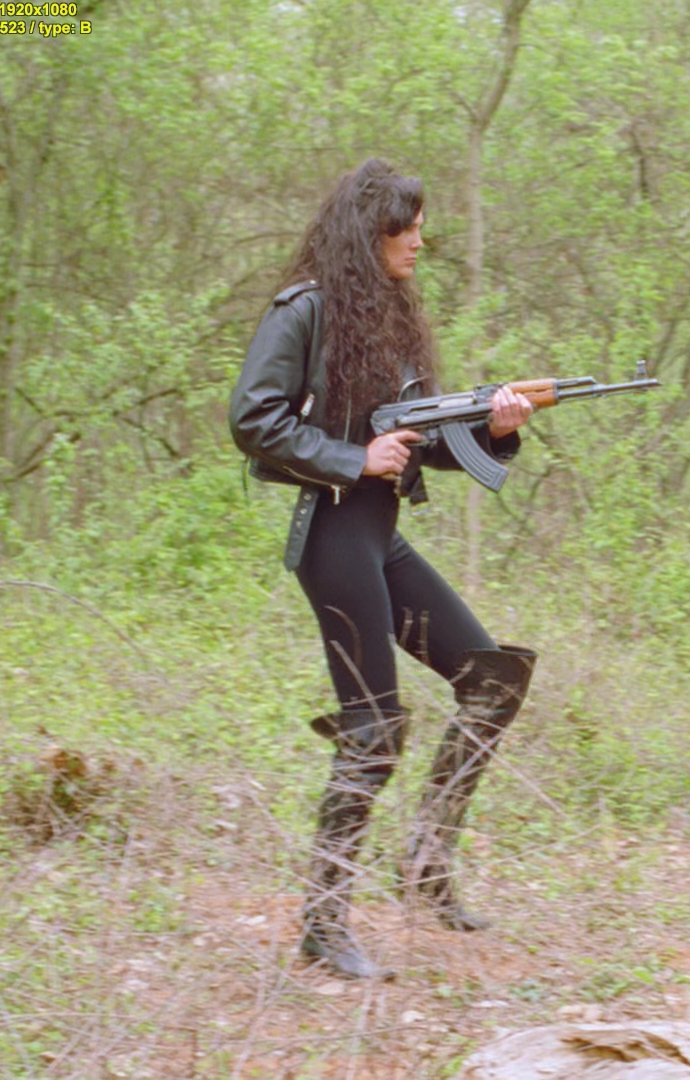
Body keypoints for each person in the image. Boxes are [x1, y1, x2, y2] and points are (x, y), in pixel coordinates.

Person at [230, 158, 539, 979]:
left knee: (494, 680)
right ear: (369, 232)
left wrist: (496, 427)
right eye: (406, 228)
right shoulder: (305, 309)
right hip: (333, 537)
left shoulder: (393, 317)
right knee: (372, 728)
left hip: (380, 535)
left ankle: (427, 865)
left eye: (421, 227)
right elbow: (252, 419)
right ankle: (323, 924)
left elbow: (423, 447)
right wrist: (352, 458)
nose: (419, 241)